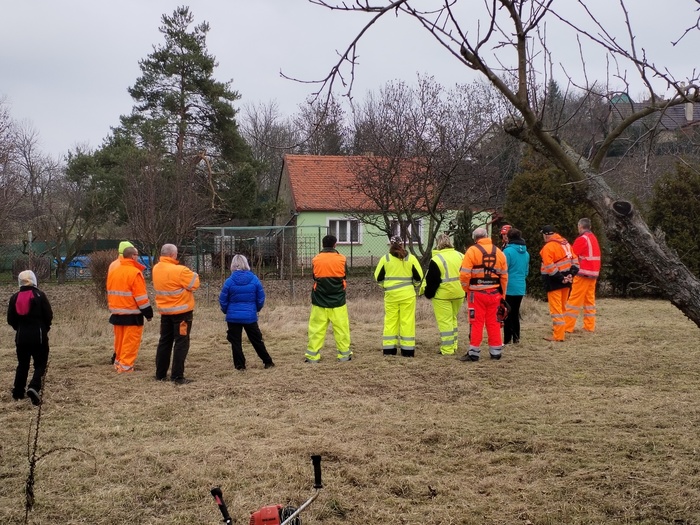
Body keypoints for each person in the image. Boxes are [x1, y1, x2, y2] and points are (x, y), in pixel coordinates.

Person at [152, 243, 200, 384]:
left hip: (165, 312)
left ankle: (160, 374)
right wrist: (194, 274)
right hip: (182, 313)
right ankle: (177, 376)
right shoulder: (180, 270)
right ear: (173, 254)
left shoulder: (156, 268)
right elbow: (195, 284)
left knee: (164, 342)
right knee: (181, 343)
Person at [458, 228, 508, 361]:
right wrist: (503, 296)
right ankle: (496, 352)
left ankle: (473, 353)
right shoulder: (499, 252)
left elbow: (464, 274)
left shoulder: (472, 251)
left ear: (475, 238)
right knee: (494, 322)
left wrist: (466, 289)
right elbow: (504, 277)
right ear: (487, 236)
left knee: (476, 322)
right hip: (495, 294)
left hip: (476, 294)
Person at [219, 254, 275, 370]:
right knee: (256, 340)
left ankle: (240, 366)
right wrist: (256, 309)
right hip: (250, 315)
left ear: (232, 265)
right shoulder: (254, 279)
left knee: (235, 342)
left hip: (233, 317)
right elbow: (260, 298)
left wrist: (226, 311)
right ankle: (267, 361)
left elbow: (223, 299)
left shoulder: (229, 281)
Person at [7, 270, 53, 406]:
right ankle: (34, 386)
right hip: (39, 337)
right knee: (40, 364)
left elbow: (10, 319)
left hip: (21, 337)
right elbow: (48, 315)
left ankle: (18, 392)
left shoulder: (14, 297)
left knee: (22, 364)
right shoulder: (40, 296)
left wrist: (18, 328)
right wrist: (45, 328)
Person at [305, 235, 352, 363]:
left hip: (319, 300)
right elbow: (345, 275)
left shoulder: (316, 259)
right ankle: (344, 355)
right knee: (341, 329)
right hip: (338, 300)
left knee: (316, 329)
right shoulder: (342, 259)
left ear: (323, 244)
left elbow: (314, 277)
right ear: (335, 244)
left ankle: (312, 357)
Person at [374, 236, 424, 357]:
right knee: (407, 321)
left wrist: (386, 286)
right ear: (402, 244)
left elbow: (378, 278)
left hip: (391, 296)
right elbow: (419, 277)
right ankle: (407, 351)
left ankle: (389, 349)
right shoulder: (411, 258)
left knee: (390, 321)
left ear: (390, 245)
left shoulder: (385, 259)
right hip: (408, 295)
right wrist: (413, 285)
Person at [106, 246, 153, 373]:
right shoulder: (134, 273)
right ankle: (126, 367)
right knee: (130, 343)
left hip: (116, 312)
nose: (138, 257)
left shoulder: (114, 270)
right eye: (137, 254)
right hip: (132, 313)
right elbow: (141, 297)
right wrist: (148, 313)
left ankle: (118, 363)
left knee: (119, 342)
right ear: (133, 256)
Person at [422, 233, 465, 355]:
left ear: (438, 244)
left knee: (445, 321)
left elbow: (432, 280)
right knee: (453, 318)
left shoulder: (436, 259)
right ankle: (454, 344)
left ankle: (447, 349)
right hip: (459, 292)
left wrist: (428, 293)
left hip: (443, 295)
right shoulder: (461, 256)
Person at [539, 225, 578, 342]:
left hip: (554, 282)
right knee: (562, 307)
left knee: (556, 309)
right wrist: (570, 275)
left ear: (546, 235)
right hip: (567, 280)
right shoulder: (566, 244)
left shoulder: (548, 247)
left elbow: (549, 266)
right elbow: (575, 261)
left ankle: (558, 335)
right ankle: (562, 330)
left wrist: (561, 278)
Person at [565, 218, 601, 333]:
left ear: (580, 227)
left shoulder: (582, 239)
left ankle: (567, 326)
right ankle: (589, 326)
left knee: (574, 301)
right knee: (589, 301)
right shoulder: (593, 238)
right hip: (593, 273)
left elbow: (572, 254)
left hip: (583, 273)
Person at [107, 240, 134, 364]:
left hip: (115, 304)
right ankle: (123, 359)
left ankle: (117, 355)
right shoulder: (129, 265)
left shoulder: (113, 265)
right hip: (128, 304)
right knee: (128, 336)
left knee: (119, 335)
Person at [502, 228, 530, 344]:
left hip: (509, 286)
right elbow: (526, 271)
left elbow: (503, 270)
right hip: (521, 286)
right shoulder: (526, 253)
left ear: (509, 238)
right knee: (515, 313)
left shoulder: (507, 252)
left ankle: (507, 339)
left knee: (507, 313)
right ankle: (516, 337)